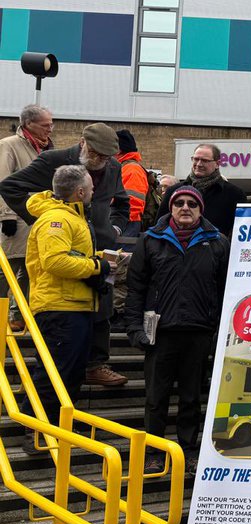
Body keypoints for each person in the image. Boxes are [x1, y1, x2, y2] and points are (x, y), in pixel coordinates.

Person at [0, 122, 130, 388]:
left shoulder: (114, 166)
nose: (102, 161)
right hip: (66, 247)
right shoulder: (54, 160)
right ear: (83, 143)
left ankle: (96, 364)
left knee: (103, 302)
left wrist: (114, 227)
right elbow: (10, 186)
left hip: (100, 244)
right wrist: (41, 217)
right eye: (97, 154)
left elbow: (122, 201)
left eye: (107, 157)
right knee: (63, 346)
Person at [125, 185, 229, 473]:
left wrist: (219, 332)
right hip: (160, 333)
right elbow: (135, 289)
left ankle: (188, 451)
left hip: (199, 333)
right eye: (179, 203)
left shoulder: (218, 242)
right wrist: (134, 327)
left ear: (200, 210)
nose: (185, 208)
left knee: (191, 399)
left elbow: (224, 291)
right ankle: (154, 453)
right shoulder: (150, 240)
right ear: (170, 207)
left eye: (192, 204)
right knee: (155, 399)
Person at [20, 165, 112, 449]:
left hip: (74, 305)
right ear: (80, 192)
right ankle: (37, 430)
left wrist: (99, 259)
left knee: (69, 372)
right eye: (91, 187)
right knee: (55, 372)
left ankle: (59, 424)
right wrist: (95, 266)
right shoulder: (57, 219)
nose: (94, 190)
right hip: (60, 307)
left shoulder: (70, 217)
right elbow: (55, 261)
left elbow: (67, 256)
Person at [0, 105, 55, 332]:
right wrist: (7, 216)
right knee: (7, 269)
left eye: (51, 124)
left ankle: (20, 315)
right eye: (45, 125)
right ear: (28, 124)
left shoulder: (47, 148)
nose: (50, 129)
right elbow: (3, 181)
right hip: (17, 218)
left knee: (31, 270)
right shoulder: (9, 145)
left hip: (38, 220)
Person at [159, 143, 247, 237]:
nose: (199, 164)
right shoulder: (173, 191)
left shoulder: (234, 194)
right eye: (196, 159)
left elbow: (241, 232)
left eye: (205, 160)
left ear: (217, 164)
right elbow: (159, 226)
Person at [115, 130, 149, 236]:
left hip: (127, 223)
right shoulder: (125, 168)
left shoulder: (132, 170)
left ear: (118, 149)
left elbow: (133, 203)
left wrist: (119, 223)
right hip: (125, 221)